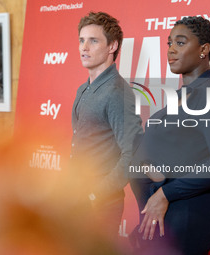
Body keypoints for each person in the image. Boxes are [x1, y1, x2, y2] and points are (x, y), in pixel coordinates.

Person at [129, 16, 210, 255]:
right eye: (169, 43)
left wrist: (165, 193)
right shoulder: (185, 95)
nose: (171, 50)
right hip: (164, 211)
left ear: (203, 49)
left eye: (180, 43)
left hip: (187, 213)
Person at [70, 12, 143, 236]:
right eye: (82, 40)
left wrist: (95, 193)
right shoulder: (84, 89)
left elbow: (133, 153)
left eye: (93, 41)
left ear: (112, 46)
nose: (84, 47)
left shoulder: (117, 92)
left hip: (100, 204)